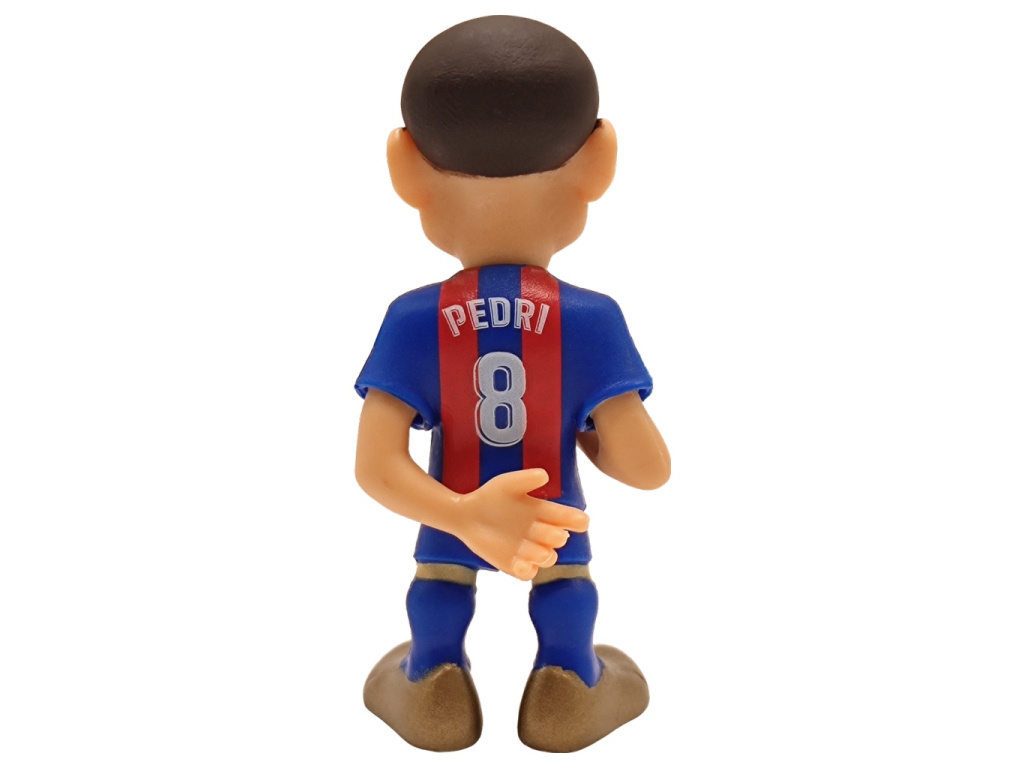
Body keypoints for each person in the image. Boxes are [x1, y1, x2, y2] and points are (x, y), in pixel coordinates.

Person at [354, 15, 671, 752]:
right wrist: (585, 424)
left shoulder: (412, 319)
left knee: (439, 583)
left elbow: (375, 466)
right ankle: (568, 681)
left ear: (405, 171)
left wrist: (462, 513)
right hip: (552, 514)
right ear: (599, 164)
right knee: (565, 585)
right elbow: (648, 468)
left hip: (449, 512)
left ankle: (432, 679)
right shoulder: (591, 320)